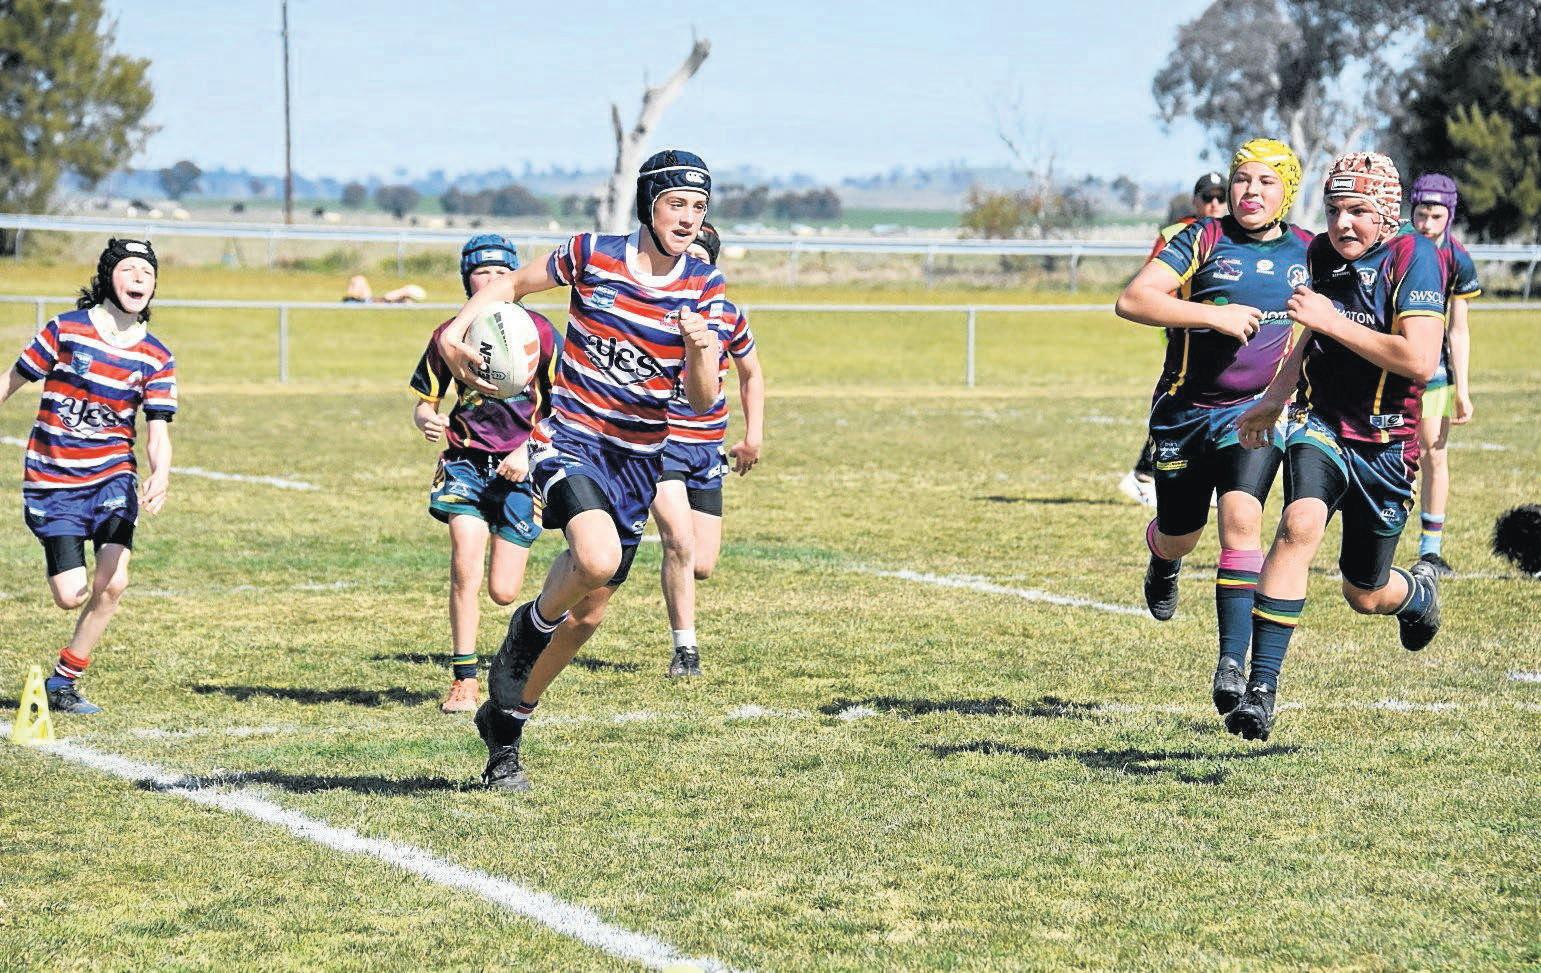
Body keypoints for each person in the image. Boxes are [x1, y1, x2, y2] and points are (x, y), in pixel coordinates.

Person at [434, 149, 724, 791]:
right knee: (594, 558)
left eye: (699, 207)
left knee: (588, 616)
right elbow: (508, 285)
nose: (688, 217)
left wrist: (702, 351)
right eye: (677, 203)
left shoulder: (704, 285)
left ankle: (506, 723)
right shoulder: (591, 254)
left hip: (639, 461)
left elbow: (702, 400)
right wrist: (457, 332)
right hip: (570, 439)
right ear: (649, 205)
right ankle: (530, 625)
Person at [1233, 152, 1447, 741]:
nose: (1342, 223)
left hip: (1388, 444)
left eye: (1357, 211)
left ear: (1386, 212)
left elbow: (1419, 359)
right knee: (1297, 525)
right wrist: (1274, 398)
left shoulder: (1414, 257)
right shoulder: (1323, 255)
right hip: (1323, 422)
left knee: (1365, 591)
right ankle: (1260, 690)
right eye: (1333, 210)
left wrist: (1332, 321)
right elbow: (1309, 334)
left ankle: (1416, 593)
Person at [1115, 139, 1310, 719]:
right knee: (1181, 533)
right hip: (1184, 410)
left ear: (1286, 191)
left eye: (1267, 181)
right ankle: (1163, 558)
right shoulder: (1202, 238)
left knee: (1242, 522)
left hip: (1255, 412)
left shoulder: (1309, 250)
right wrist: (1211, 315)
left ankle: (1232, 665)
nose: (1251, 191)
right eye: (1243, 179)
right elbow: (1133, 299)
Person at [0, 239, 177, 715]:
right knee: (70, 595)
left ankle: (63, 682)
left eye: (147, 272)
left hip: (111, 476)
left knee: (114, 582)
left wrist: (161, 472)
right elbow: (10, 382)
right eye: (129, 269)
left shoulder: (156, 356)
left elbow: (157, 430)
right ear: (107, 277)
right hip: (53, 478)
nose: (139, 278)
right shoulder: (66, 330)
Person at [410, 234, 562, 713]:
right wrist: (426, 418)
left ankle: (523, 645)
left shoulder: (541, 332)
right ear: (467, 280)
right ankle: (464, 679)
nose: (493, 280)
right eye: (482, 273)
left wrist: (527, 450)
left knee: (504, 591)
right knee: (464, 564)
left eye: (502, 273)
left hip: (521, 470)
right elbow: (425, 401)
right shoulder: (449, 336)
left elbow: (564, 410)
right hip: (465, 464)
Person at [651, 221, 764, 678]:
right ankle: (686, 650)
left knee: (701, 564)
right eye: (685, 259)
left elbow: (751, 374)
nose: (691, 267)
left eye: (700, 260)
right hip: (662, 444)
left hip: (708, 449)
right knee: (678, 541)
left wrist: (753, 436)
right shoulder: (653, 308)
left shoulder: (728, 316)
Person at [1119, 171, 1229, 507]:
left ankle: (1200, 478)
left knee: (1215, 406)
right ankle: (1144, 474)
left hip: (1223, 335)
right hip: (1187, 335)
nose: (1214, 204)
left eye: (1220, 197)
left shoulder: (1233, 235)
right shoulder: (1177, 234)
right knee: (1181, 405)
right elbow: (1151, 287)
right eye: (1207, 197)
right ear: (1195, 200)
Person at [1405, 174, 1482, 577]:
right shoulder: (1396, 247)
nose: (1427, 224)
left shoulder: (1457, 257)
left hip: (1436, 374)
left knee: (1434, 452)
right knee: (1389, 453)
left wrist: (1462, 390)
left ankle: (1430, 550)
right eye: (1421, 214)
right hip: (1393, 369)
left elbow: (1459, 329)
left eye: (1436, 216)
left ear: (1449, 215)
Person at [344, 275, 426, 304]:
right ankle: (350, 299)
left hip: (369, 302)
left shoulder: (405, 302)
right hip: (371, 300)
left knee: (359, 280)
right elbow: (386, 298)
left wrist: (403, 292)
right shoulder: (401, 298)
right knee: (359, 278)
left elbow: (387, 297)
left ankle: (351, 300)